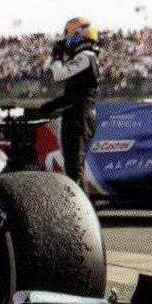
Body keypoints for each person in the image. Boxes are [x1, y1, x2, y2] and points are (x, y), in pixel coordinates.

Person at [44, 16, 100, 187]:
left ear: (78, 34)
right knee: (72, 166)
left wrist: (57, 57)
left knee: (74, 168)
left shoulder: (86, 56)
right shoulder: (86, 56)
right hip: (76, 113)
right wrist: (51, 106)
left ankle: (79, 202)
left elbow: (59, 75)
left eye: (68, 33)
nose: (66, 38)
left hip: (80, 117)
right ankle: (79, 201)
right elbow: (74, 94)